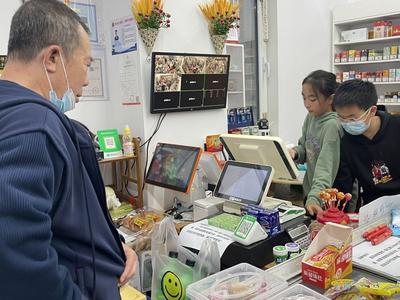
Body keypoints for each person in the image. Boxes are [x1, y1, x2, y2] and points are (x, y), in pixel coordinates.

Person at [0, 1, 137, 299]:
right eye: (87, 64)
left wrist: (111, 245)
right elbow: (16, 257)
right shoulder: (35, 127)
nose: (86, 79)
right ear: (52, 58)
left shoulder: (11, 112)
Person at [333, 79, 400, 207]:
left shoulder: (396, 127)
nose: (347, 123)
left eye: (352, 118)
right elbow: (343, 184)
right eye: (341, 118)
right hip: (373, 209)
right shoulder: (347, 143)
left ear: (372, 111)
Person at [289, 70, 342, 216]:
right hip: (314, 191)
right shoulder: (312, 117)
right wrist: (295, 152)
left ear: (330, 99)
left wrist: (314, 198)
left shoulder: (332, 125)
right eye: (304, 98)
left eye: (312, 99)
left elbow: (325, 168)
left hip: (330, 198)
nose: (306, 104)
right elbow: (305, 146)